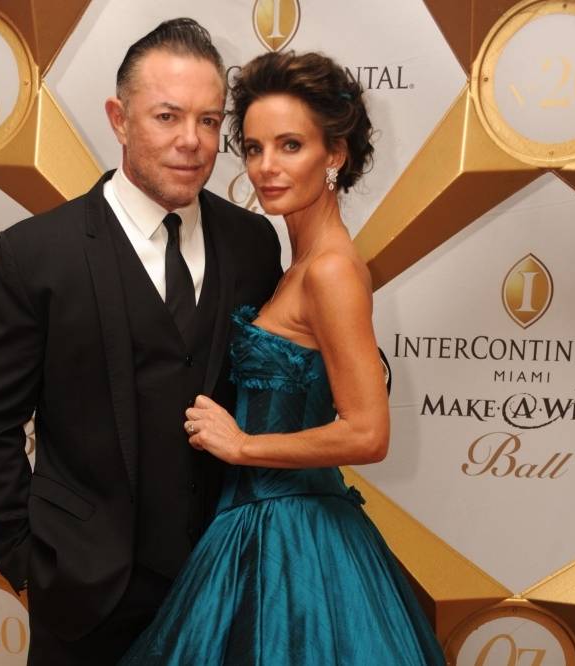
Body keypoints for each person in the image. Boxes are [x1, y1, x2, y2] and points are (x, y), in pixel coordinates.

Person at [0, 18, 282, 666]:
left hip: (225, 581)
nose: (192, 141)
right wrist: (26, 560)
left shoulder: (252, 242)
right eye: (167, 116)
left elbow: (275, 375)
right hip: (83, 595)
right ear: (119, 119)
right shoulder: (35, 253)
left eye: (209, 120)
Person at [120, 51, 446, 664]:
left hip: (295, 544)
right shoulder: (297, 263)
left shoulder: (330, 272)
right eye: (253, 148)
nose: (266, 167)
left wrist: (243, 446)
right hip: (253, 526)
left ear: (335, 154)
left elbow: (368, 433)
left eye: (290, 146)